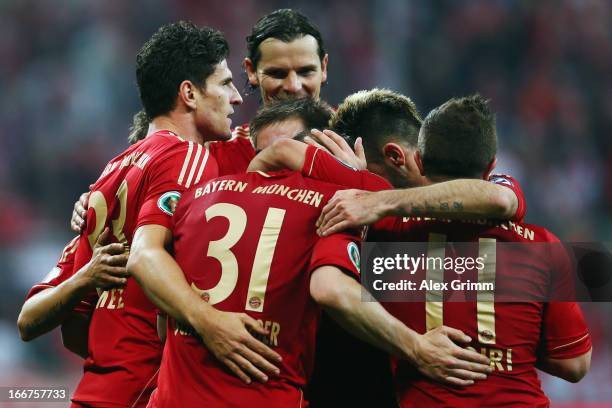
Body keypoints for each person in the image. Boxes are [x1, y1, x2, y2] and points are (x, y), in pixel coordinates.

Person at [65, 21, 281, 408]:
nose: (236, 98)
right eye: (227, 83)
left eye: (307, 71)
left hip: (103, 390)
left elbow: (69, 328)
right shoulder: (191, 154)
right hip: (155, 388)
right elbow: (143, 256)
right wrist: (210, 325)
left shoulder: (112, 171)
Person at [369, 95, 592, 406]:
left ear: (419, 160)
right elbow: (575, 364)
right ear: (492, 167)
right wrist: (510, 346)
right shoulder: (543, 246)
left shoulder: (384, 236)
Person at [17, 229, 128, 357]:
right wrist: (85, 277)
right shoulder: (90, 242)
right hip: (113, 368)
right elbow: (26, 322)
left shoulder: (149, 241)